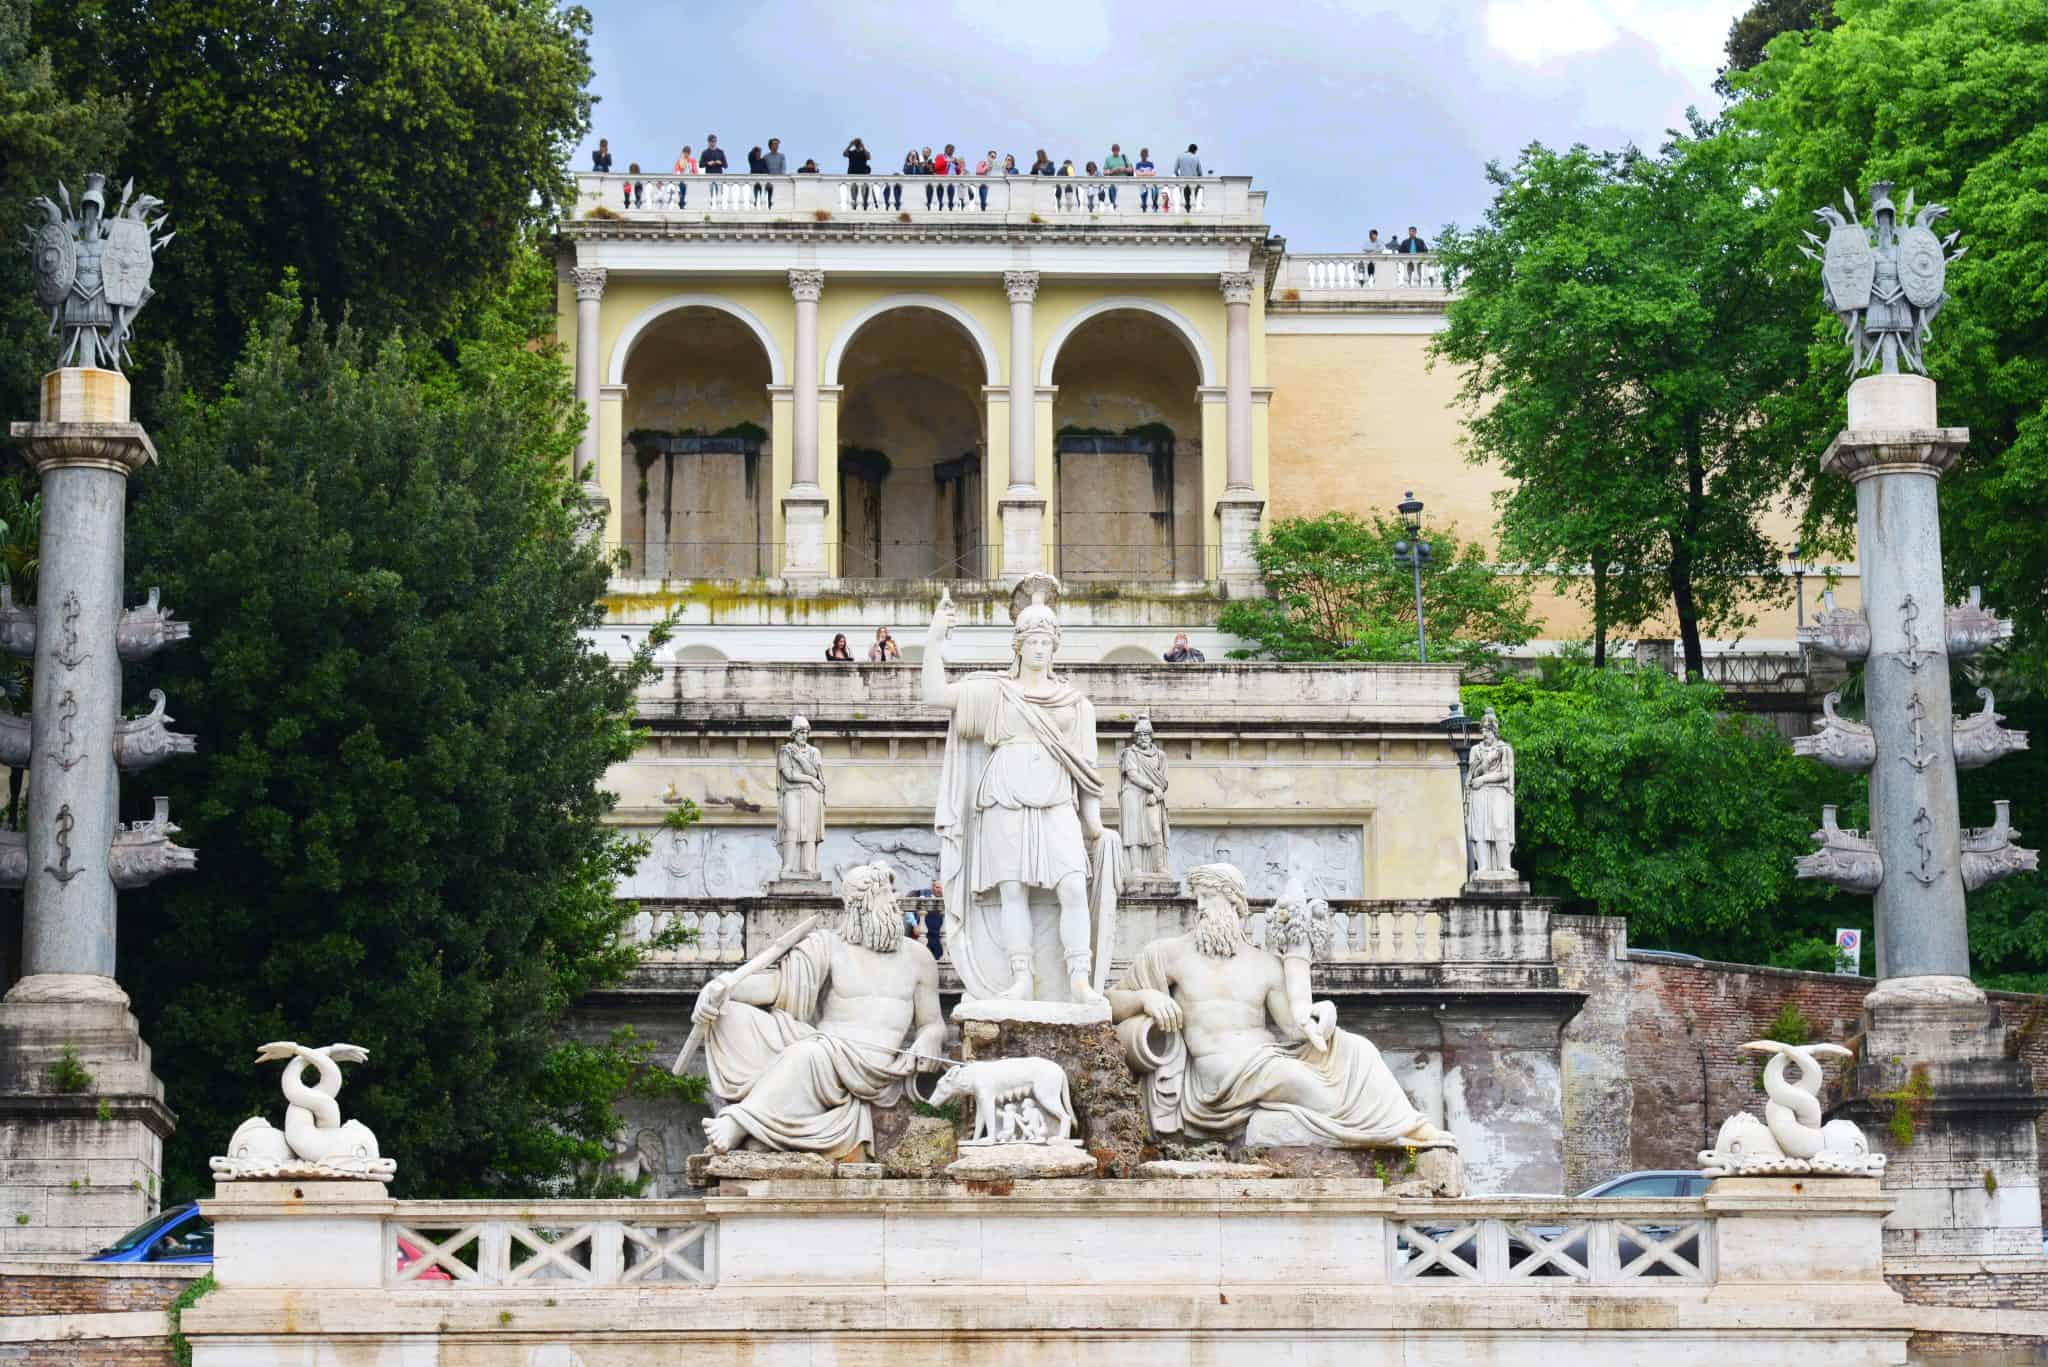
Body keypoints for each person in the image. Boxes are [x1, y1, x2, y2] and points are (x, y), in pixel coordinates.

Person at [1108, 864, 1455, 1148]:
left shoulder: (1265, 964)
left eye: (1208, 898)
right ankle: (1388, 1133)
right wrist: (1145, 998)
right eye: (1198, 898)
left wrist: (1324, 1013)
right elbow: (1107, 1004)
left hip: (1267, 1058)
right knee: (1315, 1092)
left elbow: (1293, 1027)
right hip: (1219, 1076)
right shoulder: (1169, 954)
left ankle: (1411, 1128)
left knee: (1356, 1048)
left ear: (1235, 905)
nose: (1200, 907)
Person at [690, 863, 944, 1158]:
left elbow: (933, 1023)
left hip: (870, 1064)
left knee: (808, 1054)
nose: (890, 902)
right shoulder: (829, 945)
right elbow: (778, 985)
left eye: (890, 894)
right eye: (879, 895)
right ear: (855, 907)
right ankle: (768, 1126)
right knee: (733, 1016)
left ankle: (739, 1123)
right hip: (823, 1044)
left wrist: (930, 1037)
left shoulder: (918, 957)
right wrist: (723, 990)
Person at [843, 137, 873, 207]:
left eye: (858, 143)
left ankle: (864, 204)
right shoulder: (852, 152)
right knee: (853, 190)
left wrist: (863, 147)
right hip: (852, 174)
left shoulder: (864, 152)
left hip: (863, 175)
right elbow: (844, 154)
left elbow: (869, 157)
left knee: (863, 190)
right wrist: (850, 145)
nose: (857, 144)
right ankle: (854, 204)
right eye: (856, 143)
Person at [1173, 144, 1202, 211]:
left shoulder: (1180, 156)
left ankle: (1187, 206)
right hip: (1194, 182)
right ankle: (1195, 207)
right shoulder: (1196, 158)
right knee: (1196, 196)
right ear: (1195, 150)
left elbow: (1175, 170)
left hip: (1183, 181)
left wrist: (1178, 177)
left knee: (1186, 197)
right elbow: (1200, 172)